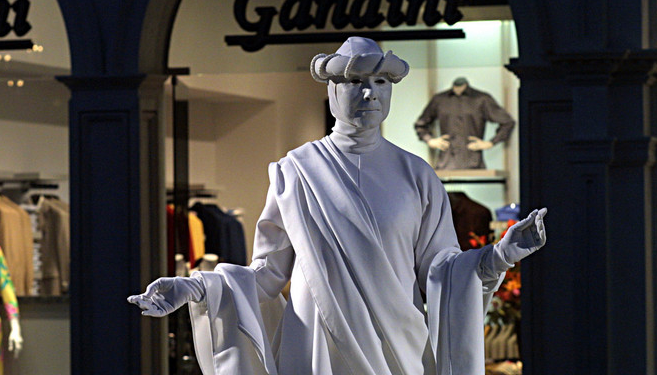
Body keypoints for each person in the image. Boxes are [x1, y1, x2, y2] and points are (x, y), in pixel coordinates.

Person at [129, 37, 547, 375]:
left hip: (398, 348)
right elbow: (267, 275)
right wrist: (194, 287)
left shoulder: (417, 175)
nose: (369, 92)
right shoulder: (296, 171)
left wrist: (500, 255)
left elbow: (441, 269)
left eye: (380, 81)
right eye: (354, 81)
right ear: (331, 89)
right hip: (316, 346)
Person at [414, 77, 515, 170]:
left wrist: (490, 143)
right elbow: (420, 124)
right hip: (445, 162)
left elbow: (507, 122)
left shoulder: (481, 99)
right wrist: (430, 140)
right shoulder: (439, 99)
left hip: (473, 161)